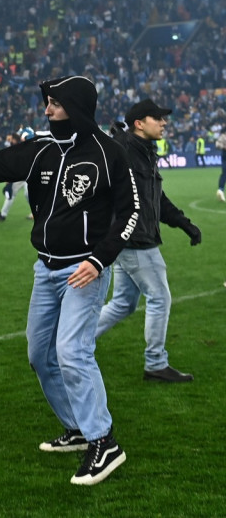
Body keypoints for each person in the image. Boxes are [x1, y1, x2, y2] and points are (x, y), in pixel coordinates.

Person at [0, 75, 139, 486]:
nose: (47, 110)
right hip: (46, 269)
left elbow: (131, 212)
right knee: (41, 355)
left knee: (73, 351)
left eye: (54, 104)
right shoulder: (39, 150)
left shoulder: (110, 153)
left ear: (75, 106)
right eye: (48, 103)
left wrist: (99, 259)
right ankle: (78, 427)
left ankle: (103, 441)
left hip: (84, 270)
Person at [95, 100, 200, 382]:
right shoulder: (124, 152)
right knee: (160, 298)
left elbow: (157, 199)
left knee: (123, 304)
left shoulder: (144, 153)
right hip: (134, 239)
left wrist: (184, 223)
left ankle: (71, 344)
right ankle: (155, 363)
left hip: (131, 239)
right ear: (139, 123)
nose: (164, 123)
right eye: (158, 118)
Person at [0, 127, 34, 221]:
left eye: (11, 139)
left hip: (29, 174)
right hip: (21, 176)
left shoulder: (24, 144)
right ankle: (3, 215)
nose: (10, 141)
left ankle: (37, 211)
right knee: (11, 193)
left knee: (28, 194)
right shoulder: (17, 147)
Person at [215, 128, 226, 202]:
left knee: (224, 173)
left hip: (224, 154)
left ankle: (220, 189)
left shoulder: (222, 137)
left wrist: (223, 147)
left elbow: (217, 144)